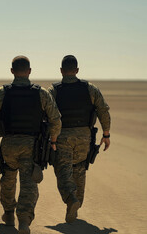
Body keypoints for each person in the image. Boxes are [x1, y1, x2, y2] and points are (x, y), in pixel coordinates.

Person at [0, 56, 61, 234]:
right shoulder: (42, 93)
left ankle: (9, 213)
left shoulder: (0, 93)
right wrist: (53, 140)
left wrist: (1, 130)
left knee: (8, 179)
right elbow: (56, 120)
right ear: (30, 71)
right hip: (32, 145)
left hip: (9, 144)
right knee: (29, 183)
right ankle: (24, 220)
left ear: (12, 71)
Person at [48, 55, 111, 223]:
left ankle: (71, 199)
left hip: (62, 136)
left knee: (63, 171)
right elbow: (103, 110)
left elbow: (47, 114)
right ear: (77, 70)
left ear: (61, 71)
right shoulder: (90, 89)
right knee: (79, 168)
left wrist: (50, 137)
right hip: (84, 135)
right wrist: (106, 134)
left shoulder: (53, 91)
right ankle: (77, 203)